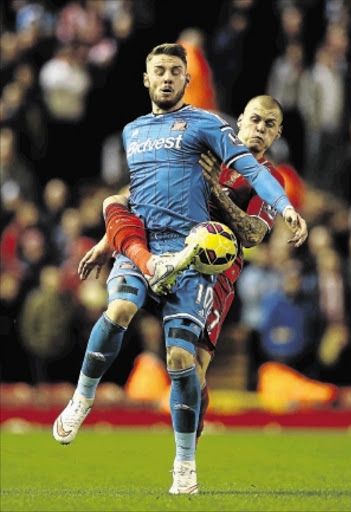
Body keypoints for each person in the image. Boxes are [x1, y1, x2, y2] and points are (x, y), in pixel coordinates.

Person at [53, 44, 307, 494]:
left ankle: (187, 452)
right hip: (150, 247)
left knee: (185, 366)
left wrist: (278, 206)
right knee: (120, 306)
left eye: (270, 125)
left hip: (211, 269)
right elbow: (140, 192)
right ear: (240, 120)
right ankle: (82, 397)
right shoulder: (144, 133)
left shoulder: (234, 153)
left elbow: (250, 234)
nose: (259, 129)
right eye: (254, 119)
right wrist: (105, 242)